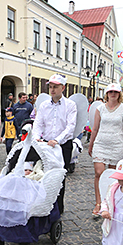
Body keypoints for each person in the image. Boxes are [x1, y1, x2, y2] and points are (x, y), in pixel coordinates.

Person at [88, 83, 123, 217]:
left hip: (116, 144)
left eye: (115, 92)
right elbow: (95, 128)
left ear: (119, 94)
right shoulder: (100, 108)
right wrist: (91, 144)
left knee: (113, 175)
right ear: (106, 94)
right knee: (99, 172)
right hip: (100, 143)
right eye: (110, 92)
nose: (112, 94)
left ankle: (109, 202)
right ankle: (98, 202)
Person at [33, 73, 77, 214]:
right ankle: (43, 205)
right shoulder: (44, 105)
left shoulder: (70, 105)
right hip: (45, 145)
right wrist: (36, 137)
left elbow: (70, 126)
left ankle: (58, 208)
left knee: (59, 176)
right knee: (42, 174)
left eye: (55, 87)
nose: (52, 90)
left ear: (62, 88)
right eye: (51, 87)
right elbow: (38, 123)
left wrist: (57, 140)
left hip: (63, 145)